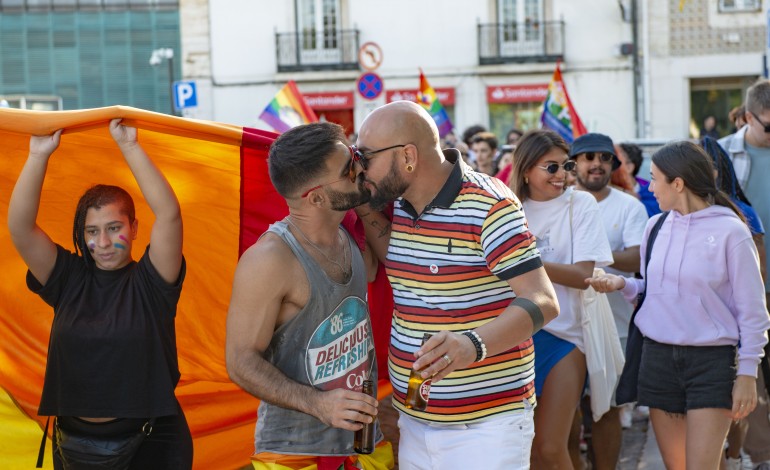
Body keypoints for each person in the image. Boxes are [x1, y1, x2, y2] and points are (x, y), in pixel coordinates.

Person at [353, 101, 559, 469]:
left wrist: (471, 345)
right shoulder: (398, 204)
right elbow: (399, 261)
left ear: (408, 156)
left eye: (366, 156)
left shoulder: (489, 204)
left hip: (487, 428)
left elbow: (542, 300)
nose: (359, 167)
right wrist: (364, 202)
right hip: (415, 417)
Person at [7, 119, 192, 468]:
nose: (103, 242)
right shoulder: (67, 277)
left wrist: (129, 145)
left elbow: (169, 214)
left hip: (153, 445)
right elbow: (19, 227)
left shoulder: (153, 282)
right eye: (92, 231)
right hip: (75, 450)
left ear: (134, 228)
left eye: (114, 228)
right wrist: (38, 154)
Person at [586, 141, 770, 470]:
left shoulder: (732, 232)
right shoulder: (655, 226)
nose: (650, 186)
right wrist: (622, 283)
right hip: (658, 360)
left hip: (712, 364)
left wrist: (746, 374)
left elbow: (753, 313)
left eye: (655, 178)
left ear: (678, 183)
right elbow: (657, 289)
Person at [225, 122, 393, 469]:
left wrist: (359, 194)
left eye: (355, 157)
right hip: (294, 453)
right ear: (316, 197)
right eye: (349, 169)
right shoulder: (270, 259)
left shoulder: (349, 236)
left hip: (363, 444)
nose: (361, 168)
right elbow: (241, 362)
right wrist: (319, 404)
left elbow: (384, 267)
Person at [510, 130, 613, 469]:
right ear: (526, 169)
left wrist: (524, 262)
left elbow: (584, 275)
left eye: (565, 166)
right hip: (514, 336)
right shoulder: (509, 208)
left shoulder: (580, 203)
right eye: (551, 167)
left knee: (550, 447)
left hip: (566, 335)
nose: (561, 175)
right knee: (529, 451)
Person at [572, 133, 649, 470]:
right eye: (588, 157)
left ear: (613, 165)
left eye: (604, 158)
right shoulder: (559, 202)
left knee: (606, 409)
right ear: (574, 164)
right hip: (566, 325)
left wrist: (589, 258)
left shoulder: (629, 205)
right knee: (568, 412)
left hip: (615, 326)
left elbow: (636, 259)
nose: (596, 164)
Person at [702, 136, 767, 470]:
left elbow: (759, 278)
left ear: (719, 169)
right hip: (697, 340)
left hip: (737, 329)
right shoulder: (670, 216)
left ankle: (741, 456)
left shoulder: (743, 217)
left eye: (707, 165)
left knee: (745, 399)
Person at [720, 80, 770, 469]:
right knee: (750, 379)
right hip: (746, 286)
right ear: (748, 117)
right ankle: (753, 456)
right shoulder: (722, 155)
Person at [616, 142, 660, 217]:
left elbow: (655, 219)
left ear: (629, 167)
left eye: (616, 161)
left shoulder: (652, 192)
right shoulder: (603, 191)